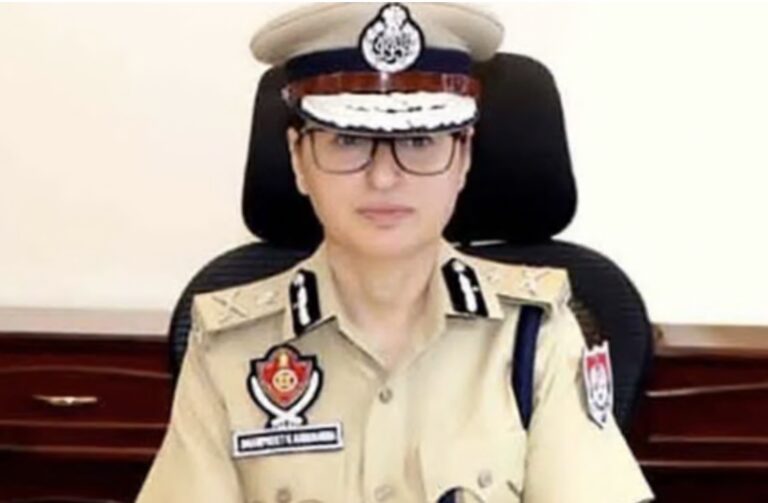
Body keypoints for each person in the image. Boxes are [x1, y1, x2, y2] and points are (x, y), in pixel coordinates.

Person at [137, 3, 654, 502]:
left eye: (420, 141)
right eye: (347, 140)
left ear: (463, 157)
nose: (384, 177)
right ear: (298, 159)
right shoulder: (226, 350)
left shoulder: (535, 336)